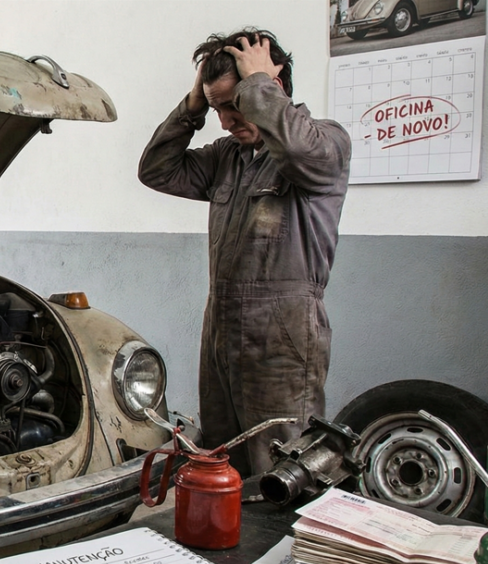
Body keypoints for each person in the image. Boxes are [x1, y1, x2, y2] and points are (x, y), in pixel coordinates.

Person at [138, 29, 351, 476]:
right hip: (221, 328)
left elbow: (296, 148)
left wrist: (259, 86)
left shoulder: (324, 143)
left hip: (282, 337)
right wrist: (191, 109)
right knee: (220, 458)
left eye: (234, 105)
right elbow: (157, 170)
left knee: (282, 467)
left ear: (275, 86)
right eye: (218, 108)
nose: (225, 121)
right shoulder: (226, 158)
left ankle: (282, 548)